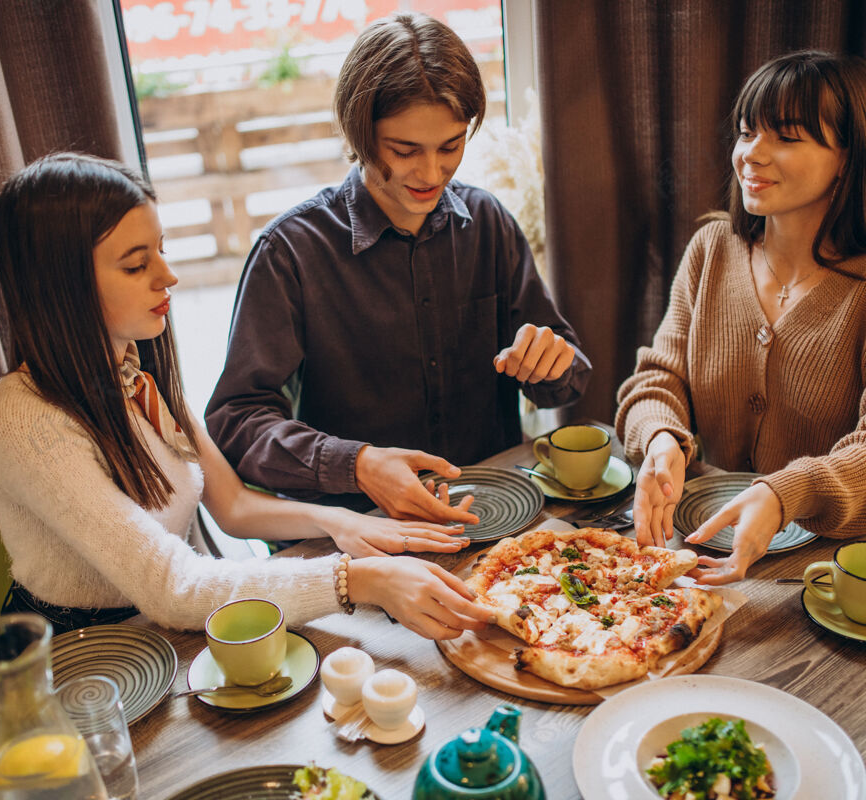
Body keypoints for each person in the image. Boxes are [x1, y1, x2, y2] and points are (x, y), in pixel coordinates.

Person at [0, 152, 493, 639]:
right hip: (79, 653)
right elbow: (176, 589)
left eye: (161, 249)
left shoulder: (135, 371)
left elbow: (235, 506)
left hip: (165, 637)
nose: (167, 275)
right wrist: (359, 580)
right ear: (60, 286)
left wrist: (346, 523)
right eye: (135, 265)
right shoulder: (23, 420)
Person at [205, 13, 591, 525]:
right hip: (360, 530)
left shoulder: (488, 223)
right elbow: (236, 419)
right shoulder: (290, 253)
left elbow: (566, 379)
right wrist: (357, 465)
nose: (432, 175)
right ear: (359, 132)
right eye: (405, 151)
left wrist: (552, 361)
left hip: (496, 520)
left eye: (450, 147)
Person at [615, 51, 866, 584]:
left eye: (787, 137)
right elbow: (660, 378)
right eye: (747, 132)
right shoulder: (712, 248)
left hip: (822, 572)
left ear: (848, 155)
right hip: (698, 543)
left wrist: (785, 492)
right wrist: (661, 437)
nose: (752, 153)